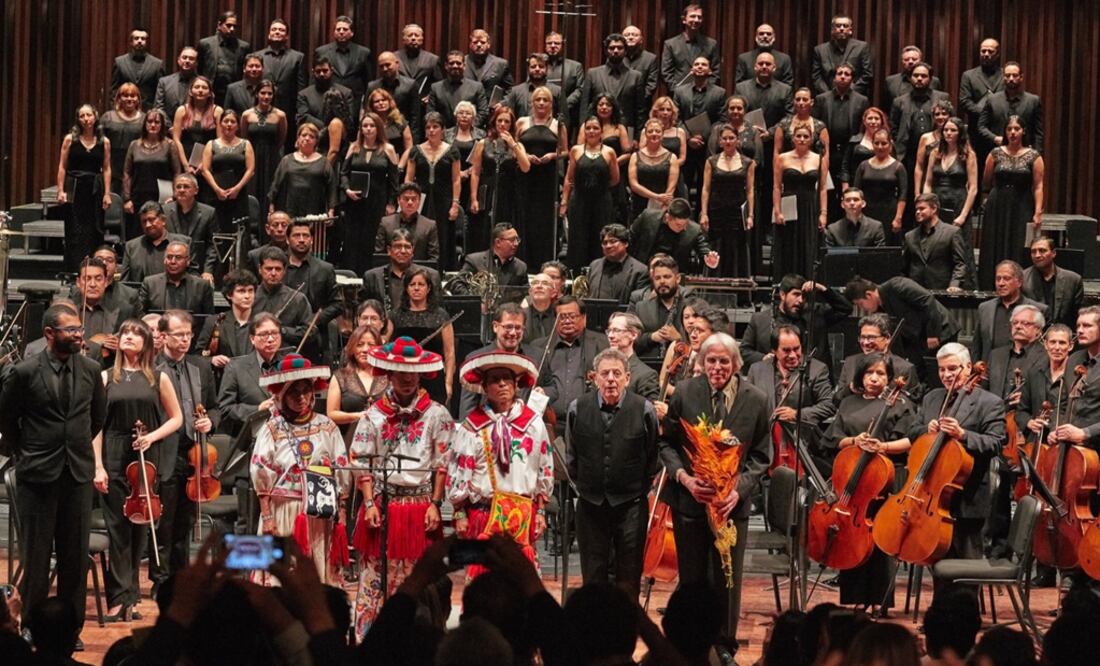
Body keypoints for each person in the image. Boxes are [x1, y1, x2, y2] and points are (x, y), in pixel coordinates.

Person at [658, 332, 770, 659]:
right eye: (711, 360)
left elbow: (761, 456)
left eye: (724, 361)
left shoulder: (757, 399)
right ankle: (690, 648)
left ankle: (724, 647)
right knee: (691, 580)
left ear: (736, 364)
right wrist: (685, 479)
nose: (717, 367)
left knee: (727, 581)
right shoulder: (684, 392)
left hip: (731, 508)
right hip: (690, 503)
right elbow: (667, 443)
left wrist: (738, 490)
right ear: (702, 362)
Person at [0, 304, 107, 642]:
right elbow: (6, 420)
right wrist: (26, 450)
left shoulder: (91, 369)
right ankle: (32, 626)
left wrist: (74, 446)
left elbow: (97, 418)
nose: (79, 335)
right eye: (71, 330)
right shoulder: (25, 371)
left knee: (74, 559)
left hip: (76, 474)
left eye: (79, 329)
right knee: (36, 557)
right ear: (49, 333)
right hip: (37, 475)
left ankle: (69, 630)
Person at [349, 336, 453, 637]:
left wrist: (435, 503)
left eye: (413, 373)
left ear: (420, 375)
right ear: (389, 374)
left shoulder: (437, 414)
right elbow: (361, 461)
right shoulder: (373, 415)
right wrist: (369, 502)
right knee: (373, 579)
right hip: (382, 505)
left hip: (420, 507)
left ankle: (418, 643)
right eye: (401, 373)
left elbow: (442, 462)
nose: (407, 379)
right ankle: (370, 643)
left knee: (419, 580)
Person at [94, 318, 183, 622]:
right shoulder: (106, 377)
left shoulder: (159, 377)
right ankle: (119, 597)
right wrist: (98, 466)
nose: (129, 337)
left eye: (136, 333)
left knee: (139, 526)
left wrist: (151, 437)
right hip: (114, 454)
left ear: (147, 343)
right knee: (118, 527)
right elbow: (96, 427)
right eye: (125, 333)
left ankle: (131, 595)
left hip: (146, 456)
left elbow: (176, 418)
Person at [822, 352, 916, 610]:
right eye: (869, 373)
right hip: (853, 478)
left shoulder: (900, 404)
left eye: (880, 374)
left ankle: (879, 601)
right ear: (860, 376)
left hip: (885, 478)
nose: (874, 378)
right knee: (851, 535)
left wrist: (882, 446)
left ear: (889, 377)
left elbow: (911, 440)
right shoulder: (848, 403)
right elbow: (832, 439)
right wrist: (855, 441)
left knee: (879, 537)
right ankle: (854, 598)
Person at [448, 351, 554, 571]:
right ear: (484, 387)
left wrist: (541, 511)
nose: (502, 384)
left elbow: (544, 468)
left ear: (516, 385)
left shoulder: (533, 424)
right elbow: (458, 473)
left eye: (507, 379)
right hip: (483, 515)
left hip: (521, 515)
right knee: (483, 582)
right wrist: (459, 513)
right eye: (495, 380)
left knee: (519, 581)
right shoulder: (472, 427)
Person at [565, 347, 658, 597]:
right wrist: (586, 487)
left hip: (631, 506)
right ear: (594, 377)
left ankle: (626, 620)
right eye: (604, 373)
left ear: (627, 377)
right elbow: (572, 456)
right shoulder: (577, 408)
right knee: (593, 574)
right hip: (590, 505)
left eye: (617, 373)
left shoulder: (644, 409)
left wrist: (638, 488)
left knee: (629, 574)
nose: (610, 379)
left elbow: (652, 456)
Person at [252, 354, 350, 584]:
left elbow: (341, 467)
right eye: (294, 392)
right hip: (283, 511)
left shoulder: (327, 427)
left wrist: (342, 511)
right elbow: (260, 470)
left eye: (306, 391)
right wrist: (267, 516)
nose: (301, 397)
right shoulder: (272, 429)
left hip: (319, 514)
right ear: (282, 395)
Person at [910, 343, 1005, 565]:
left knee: (966, 566)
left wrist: (963, 434)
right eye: (942, 369)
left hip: (967, 496)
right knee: (936, 561)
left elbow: (996, 442)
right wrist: (926, 429)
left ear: (968, 367)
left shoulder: (990, 403)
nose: (946, 375)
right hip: (929, 494)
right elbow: (912, 432)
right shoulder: (932, 398)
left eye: (952, 368)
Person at [149, 311, 219, 599]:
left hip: (193, 454)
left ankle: (180, 578)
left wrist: (210, 421)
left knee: (184, 522)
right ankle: (160, 580)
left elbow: (214, 406)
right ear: (163, 336)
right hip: (163, 451)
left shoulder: (200, 367)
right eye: (179, 334)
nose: (185, 339)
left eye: (189, 334)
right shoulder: (151, 367)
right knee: (163, 522)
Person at [845, 276, 959, 379]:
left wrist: (932, 334)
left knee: (941, 371)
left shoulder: (897, 285)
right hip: (917, 338)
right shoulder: (880, 307)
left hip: (941, 330)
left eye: (860, 304)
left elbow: (928, 301)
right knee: (918, 373)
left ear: (869, 295)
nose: (863, 309)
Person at [746, 324, 835, 453]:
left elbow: (828, 405)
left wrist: (797, 414)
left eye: (796, 349)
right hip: (765, 446)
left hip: (802, 446)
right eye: (786, 350)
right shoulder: (757, 370)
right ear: (774, 351)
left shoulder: (816, 369)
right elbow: (748, 407)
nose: (793, 355)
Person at [978, 116, 1045, 288]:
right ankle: (990, 285)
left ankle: (1018, 286)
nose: (1013, 132)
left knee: (1019, 243)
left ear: (1023, 131)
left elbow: (1038, 186)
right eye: (1009, 129)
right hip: (997, 205)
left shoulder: (1034, 156)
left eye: (1016, 129)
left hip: (1022, 205)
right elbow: (986, 182)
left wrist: (1038, 212)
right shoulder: (995, 153)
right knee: (994, 243)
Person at [339, 112, 399, 275]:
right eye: (365, 126)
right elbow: (343, 173)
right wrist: (347, 189)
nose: (368, 129)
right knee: (352, 238)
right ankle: (352, 274)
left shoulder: (388, 149)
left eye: (372, 125)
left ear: (378, 128)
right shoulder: (354, 147)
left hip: (377, 201)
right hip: (355, 200)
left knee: (372, 238)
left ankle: (371, 275)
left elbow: (394, 180)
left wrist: (391, 203)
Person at [922, 115, 979, 286]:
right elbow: (928, 183)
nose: (948, 133)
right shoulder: (935, 153)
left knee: (960, 246)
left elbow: (973, 188)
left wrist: (963, 215)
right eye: (946, 130)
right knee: (937, 243)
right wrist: (926, 204)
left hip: (958, 203)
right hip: (937, 202)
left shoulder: (968, 155)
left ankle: (963, 285)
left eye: (952, 130)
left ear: (960, 133)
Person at [533, 296, 610, 422]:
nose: (567, 321)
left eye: (572, 316)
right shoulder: (539, 347)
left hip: (589, 420)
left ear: (584, 318)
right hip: (549, 421)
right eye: (562, 317)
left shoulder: (602, 343)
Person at [458, 303, 539, 419]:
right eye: (508, 327)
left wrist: (543, 391)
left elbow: (551, 387)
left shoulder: (534, 358)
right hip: (485, 426)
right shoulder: (476, 359)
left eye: (518, 328)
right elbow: (467, 410)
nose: (513, 333)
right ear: (495, 327)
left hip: (524, 425)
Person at [515, 87, 566, 268]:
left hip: (547, 179)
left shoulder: (558, 125)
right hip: (526, 177)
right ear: (532, 102)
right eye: (538, 99)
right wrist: (525, 156)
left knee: (545, 221)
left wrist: (552, 156)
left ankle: (544, 263)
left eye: (546, 100)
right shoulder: (522, 122)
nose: (542, 103)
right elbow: (514, 147)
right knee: (525, 217)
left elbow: (565, 151)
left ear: (551, 104)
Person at [57, 103, 112, 271]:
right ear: (78, 119)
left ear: (95, 117)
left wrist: (107, 193)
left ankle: (93, 269)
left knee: (94, 230)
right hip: (74, 187)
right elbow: (62, 167)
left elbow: (107, 168)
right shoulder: (70, 139)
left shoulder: (104, 142)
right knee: (74, 230)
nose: (86, 119)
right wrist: (60, 190)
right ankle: (73, 270)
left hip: (95, 189)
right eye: (82, 116)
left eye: (89, 115)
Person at [390, 266, 455, 405]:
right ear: (406, 288)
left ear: (429, 288)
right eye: (412, 284)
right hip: (403, 377)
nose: (416, 288)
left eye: (421, 284)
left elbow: (449, 353)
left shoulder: (441, 315)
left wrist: (448, 382)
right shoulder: (395, 315)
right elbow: (387, 348)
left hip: (434, 377)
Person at [469, 105, 530, 251]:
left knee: (506, 227)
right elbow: (475, 172)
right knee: (486, 228)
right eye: (499, 121)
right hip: (488, 191)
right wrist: (474, 198)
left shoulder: (517, 145)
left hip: (509, 192)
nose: (502, 124)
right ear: (494, 122)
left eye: (506, 121)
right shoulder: (483, 143)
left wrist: (513, 145)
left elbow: (526, 167)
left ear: (511, 124)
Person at [561, 116, 619, 268]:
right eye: (588, 128)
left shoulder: (609, 152)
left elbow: (615, 179)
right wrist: (564, 201)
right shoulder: (576, 150)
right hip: (579, 202)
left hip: (601, 202)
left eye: (595, 128)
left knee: (600, 237)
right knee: (578, 239)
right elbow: (569, 178)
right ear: (584, 131)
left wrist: (597, 187)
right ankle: (576, 276)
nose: (591, 131)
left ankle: (599, 273)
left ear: (601, 131)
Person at [406, 111, 462, 269]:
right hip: (421, 200)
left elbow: (456, 179)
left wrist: (455, 204)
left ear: (443, 129)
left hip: (444, 200)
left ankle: (442, 269)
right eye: (428, 127)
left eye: (435, 126)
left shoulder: (452, 151)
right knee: (420, 233)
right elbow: (409, 179)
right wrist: (407, 200)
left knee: (442, 234)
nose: (431, 130)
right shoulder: (416, 150)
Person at [773, 124, 828, 280]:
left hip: (810, 205)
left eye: (806, 136)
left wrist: (823, 213)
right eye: (799, 136)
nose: (802, 139)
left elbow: (823, 188)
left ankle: (807, 282)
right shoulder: (782, 158)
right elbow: (776, 187)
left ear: (811, 140)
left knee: (808, 243)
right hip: (788, 203)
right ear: (793, 139)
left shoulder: (819, 159)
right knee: (789, 244)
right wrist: (777, 211)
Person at [701, 123, 755, 277]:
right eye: (725, 138)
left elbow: (750, 190)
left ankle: (738, 285)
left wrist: (750, 215)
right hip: (716, 210)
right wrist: (704, 213)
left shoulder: (748, 162)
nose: (728, 141)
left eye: (731, 138)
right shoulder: (711, 161)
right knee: (716, 246)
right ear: (720, 142)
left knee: (737, 246)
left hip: (737, 212)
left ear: (738, 140)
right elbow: (706, 189)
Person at [834, 313, 921, 404]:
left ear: (887, 338)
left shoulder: (904, 369)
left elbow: (910, 405)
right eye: (862, 337)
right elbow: (836, 401)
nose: (865, 342)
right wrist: (850, 389)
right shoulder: (850, 362)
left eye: (871, 338)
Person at [814, 63, 870, 205]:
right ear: (834, 78)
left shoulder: (862, 100)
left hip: (850, 152)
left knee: (848, 191)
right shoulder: (822, 99)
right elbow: (815, 125)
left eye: (847, 74)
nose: (843, 76)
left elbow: (864, 127)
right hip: (828, 151)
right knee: (827, 191)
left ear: (853, 79)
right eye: (839, 73)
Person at [971, 260, 1046, 364]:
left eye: (1006, 279)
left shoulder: (1037, 309)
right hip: (990, 369)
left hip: (1023, 368)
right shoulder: (985, 308)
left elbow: (1042, 348)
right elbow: (977, 345)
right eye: (998, 279)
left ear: (1019, 282)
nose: (1001, 283)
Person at [672, 57, 726, 198]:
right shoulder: (680, 91)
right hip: (686, 145)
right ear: (692, 70)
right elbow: (676, 119)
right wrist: (688, 138)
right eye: (696, 64)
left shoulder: (719, 93)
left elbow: (721, 120)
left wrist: (705, 136)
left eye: (704, 65)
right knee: (683, 185)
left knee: (705, 184)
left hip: (708, 145)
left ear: (710, 71)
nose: (700, 67)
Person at [123, 109, 181, 235]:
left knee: (159, 231)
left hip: (162, 196)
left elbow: (177, 172)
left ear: (162, 125)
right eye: (149, 121)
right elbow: (127, 173)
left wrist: (173, 195)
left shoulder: (170, 144)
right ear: (144, 124)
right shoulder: (134, 145)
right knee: (136, 232)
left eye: (157, 122)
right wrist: (127, 199)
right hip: (137, 196)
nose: (153, 125)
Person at [326, 323, 388, 441]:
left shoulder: (388, 376)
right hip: (349, 440)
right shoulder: (340, 376)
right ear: (352, 348)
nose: (365, 349)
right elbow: (331, 413)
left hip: (384, 440)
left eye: (371, 345)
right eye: (359, 345)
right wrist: (358, 416)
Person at [284, 218, 341, 346]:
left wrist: (315, 319)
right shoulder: (278, 268)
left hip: (315, 335)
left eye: (306, 235)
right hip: (284, 334)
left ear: (312, 239)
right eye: (296, 235)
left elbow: (337, 304)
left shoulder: (325, 269)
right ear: (287, 239)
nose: (301, 240)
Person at [249, 19, 307, 139]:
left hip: (289, 111)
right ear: (269, 34)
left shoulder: (298, 57)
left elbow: (301, 88)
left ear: (286, 36)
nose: (277, 32)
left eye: (281, 30)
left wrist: (299, 112)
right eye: (274, 29)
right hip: (261, 109)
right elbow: (250, 84)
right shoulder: (256, 56)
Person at [268, 122, 338, 219]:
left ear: (316, 141)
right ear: (298, 138)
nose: (307, 138)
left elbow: (331, 188)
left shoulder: (324, 162)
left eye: (311, 136)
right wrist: (271, 206)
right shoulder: (287, 160)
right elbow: (275, 185)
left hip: (315, 212)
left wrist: (331, 210)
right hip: (291, 210)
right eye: (304, 135)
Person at [200, 109, 254, 234]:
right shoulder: (211, 144)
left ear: (238, 126)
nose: (229, 124)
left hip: (238, 193)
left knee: (238, 229)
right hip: (215, 192)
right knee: (216, 227)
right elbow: (205, 170)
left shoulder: (246, 144)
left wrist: (237, 188)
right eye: (226, 121)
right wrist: (217, 190)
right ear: (220, 124)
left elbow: (250, 169)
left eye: (233, 122)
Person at [901, 193, 968, 291]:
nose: (918, 212)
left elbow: (960, 264)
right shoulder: (909, 236)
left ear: (934, 209)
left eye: (922, 208)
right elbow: (904, 267)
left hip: (942, 290)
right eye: (916, 209)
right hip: (915, 291)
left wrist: (954, 284)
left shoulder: (952, 232)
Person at [580, 33, 646, 133]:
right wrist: (583, 130)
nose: (615, 51)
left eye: (620, 48)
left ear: (625, 51)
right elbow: (584, 107)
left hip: (627, 130)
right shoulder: (592, 74)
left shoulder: (636, 76)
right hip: (597, 130)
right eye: (612, 48)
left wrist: (637, 137)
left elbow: (640, 110)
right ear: (606, 51)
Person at [627, 254, 690, 358]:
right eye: (657, 278)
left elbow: (702, 342)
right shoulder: (641, 308)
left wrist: (679, 339)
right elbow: (628, 339)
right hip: (647, 364)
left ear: (678, 278)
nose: (662, 281)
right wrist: (651, 337)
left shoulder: (690, 307)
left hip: (682, 364)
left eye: (667, 277)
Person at [365, 225, 441, 310]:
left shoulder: (432, 276)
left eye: (407, 247)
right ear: (389, 250)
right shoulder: (372, 277)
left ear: (412, 250)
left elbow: (438, 310)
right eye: (398, 246)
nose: (403, 251)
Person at [252, 246, 313, 350]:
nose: (273, 273)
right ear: (260, 269)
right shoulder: (250, 297)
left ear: (284, 271)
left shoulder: (298, 299)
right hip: (253, 354)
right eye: (269, 269)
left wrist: (282, 330)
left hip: (285, 354)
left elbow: (309, 333)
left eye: (278, 269)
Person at [195, 268, 258, 366]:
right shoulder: (215, 321)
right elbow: (197, 356)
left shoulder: (263, 322)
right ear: (229, 295)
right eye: (241, 291)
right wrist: (212, 360)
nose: (247, 296)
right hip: (224, 374)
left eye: (250, 291)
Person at [978, 62, 1044, 154]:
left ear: (1021, 77)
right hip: (998, 152)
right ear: (1003, 77)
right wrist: (994, 138)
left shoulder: (1033, 101)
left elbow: (1038, 133)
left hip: (1025, 153)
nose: (1011, 78)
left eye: (1015, 75)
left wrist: (1036, 154)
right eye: (1008, 75)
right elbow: (981, 126)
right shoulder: (992, 100)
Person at [854, 128, 907, 243]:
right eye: (876, 143)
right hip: (867, 212)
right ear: (872, 144)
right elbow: (856, 192)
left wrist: (898, 217)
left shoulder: (898, 167)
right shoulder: (863, 166)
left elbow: (903, 194)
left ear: (890, 144)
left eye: (884, 143)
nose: (880, 146)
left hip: (889, 213)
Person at [453, 223, 528, 303]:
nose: (516, 243)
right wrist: (476, 303)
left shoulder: (521, 267)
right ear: (498, 242)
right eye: (512, 240)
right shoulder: (474, 260)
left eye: (517, 239)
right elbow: (456, 284)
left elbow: (526, 294)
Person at [296, 57, 353, 161]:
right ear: (313, 72)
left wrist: (334, 129)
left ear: (332, 70)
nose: (322, 74)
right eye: (318, 71)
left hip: (340, 145)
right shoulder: (304, 94)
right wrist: (328, 128)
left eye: (325, 70)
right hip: (313, 143)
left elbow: (349, 119)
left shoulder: (345, 93)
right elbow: (303, 117)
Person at [139, 239, 215, 318]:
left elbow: (209, 318)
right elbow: (140, 315)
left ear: (188, 261)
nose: (173, 261)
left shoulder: (202, 286)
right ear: (164, 260)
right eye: (169, 257)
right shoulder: (150, 284)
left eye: (178, 257)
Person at [314, 16, 373, 116]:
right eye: (338, 29)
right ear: (334, 32)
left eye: (345, 29)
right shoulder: (321, 52)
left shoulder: (363, 52)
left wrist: (366, 105)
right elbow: (315, 79)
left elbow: (368, 81)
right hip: (328, 99)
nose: (341, 32)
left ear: (352, 33)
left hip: (355, 101)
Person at [959, 38, 1003, 168]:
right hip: (976, 131)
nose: (986, 54)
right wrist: (987, 113)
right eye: (983, 51)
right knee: (976, 167)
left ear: (997, 54)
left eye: (990, 51)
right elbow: (965, 101)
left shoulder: (1005, 75)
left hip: (999, 130)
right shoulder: (969, 75)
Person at [1022, 236, 1084, 327]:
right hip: (1033, 332)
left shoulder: (1073, 280)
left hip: (1063, 332)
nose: (1037, 255)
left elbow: (1078, 316)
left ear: (1053, 253)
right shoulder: (1022, 279)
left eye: (1042, 250)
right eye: (1033, 251)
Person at [121, 201, 190, 283]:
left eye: (151, 220)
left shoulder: (184, 243)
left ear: (163, 220)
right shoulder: (131, 247)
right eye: (144, 221)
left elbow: (193, 277)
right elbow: (124, 283)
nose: (147, 225)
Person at [171, 76, 222, 187]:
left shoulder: (217, 111)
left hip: (209, 160)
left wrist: (204, 163)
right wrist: (185, 165)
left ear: (210, 93)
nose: (200, 90)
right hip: (184, 158)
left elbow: (219, 141)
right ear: (190, 91)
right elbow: (176, 140)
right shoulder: (181, 110)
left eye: (204, 88)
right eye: (197, 87)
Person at [366, 54, 418, 158]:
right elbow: (367, 111)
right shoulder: (372, 86)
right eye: (381, 66)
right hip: (376, 136)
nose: (384, 69)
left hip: (400, 135)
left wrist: (413, 148)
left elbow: (415, 116)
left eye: (388, 65)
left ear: (397, 64)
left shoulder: (410, 85)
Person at [628, 118, 680, 220]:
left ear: (662, 134)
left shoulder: (672, 157)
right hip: (640, 202)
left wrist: (664, 201)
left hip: (663, 204)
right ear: (645, 134)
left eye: (657, 131)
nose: (654, 134)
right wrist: (656, 196)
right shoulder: (635, 156)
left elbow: (671, 186)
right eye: (650, 131)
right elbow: (633, 184)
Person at [374, 182, 441, 261]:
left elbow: (433, 259)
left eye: (414, 199)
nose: (410, 202)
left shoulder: (430, 225)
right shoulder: (385, 222)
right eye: (406, 199)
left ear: (419, 201)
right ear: (398, 200)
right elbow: (379, 256)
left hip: (419, 268)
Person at [102, 84, 146, 202]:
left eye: (133, 96)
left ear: (138, 99)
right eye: (125, 95)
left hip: (136, 170)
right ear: (119, 98)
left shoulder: (145, 119)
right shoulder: (108, 117)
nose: (129, 99)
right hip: (113, 168)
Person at [660, 4, 721, 90]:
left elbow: (716, 72)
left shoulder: (711, 44)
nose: (696, 20)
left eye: (699, 17)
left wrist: (706, 90)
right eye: (693, 16)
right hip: (678, 94)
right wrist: (678, 92)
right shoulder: (670, 44)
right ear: (684, 20)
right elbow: (666, 73)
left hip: (705, 94)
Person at [584, 223, 649, 303]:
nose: (608, 246)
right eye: (605, 243)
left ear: (625, 243)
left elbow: (639, 304)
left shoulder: (640, 271)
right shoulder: (594, 266)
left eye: (613, 241)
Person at [811, 13, 873, 96]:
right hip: (827, 98)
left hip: (855, 98)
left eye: (845, 26)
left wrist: (850, 93)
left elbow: (867, 74)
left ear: (850, 30)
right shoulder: (820, 50)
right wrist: (829, 95)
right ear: (832, 30)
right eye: (838, 26)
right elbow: (816, 77)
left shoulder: (862, 47)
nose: (842, 28)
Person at [197, 11, 250, 104]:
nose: (232, 29)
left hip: (234, 93)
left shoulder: (243, 47)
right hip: (210, 92)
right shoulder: (205, 44)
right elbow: (199, 69)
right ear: (219, 25)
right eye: (228, 25)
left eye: (234, 26)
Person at [605, 313, 660, 401]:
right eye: (609, 331)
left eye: (617, 330)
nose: (610, 336)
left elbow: (649, 408)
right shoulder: (602, 369)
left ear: (633, 335)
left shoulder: (646, 375)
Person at [428, 51, 488, 129]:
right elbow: (431, 114)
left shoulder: (477, 87)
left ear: (464, 66)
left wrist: (467, 128)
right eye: (451, 63)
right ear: (446, 66)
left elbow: (483, 112)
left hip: (470, 133)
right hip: (443, 133)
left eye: (458, 63)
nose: (455, 66)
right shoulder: (435, 88)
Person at [112, 28, 165, 110]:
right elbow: (114, 91)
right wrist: (115, 110)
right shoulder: (120, 62)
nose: (139, 41)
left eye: (143, 39)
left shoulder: (157, 64)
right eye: (136, 38)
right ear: (131, 42)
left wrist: (155, 111)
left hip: (148, 112)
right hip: (124, 111)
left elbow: (160, 92)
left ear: (147, 42)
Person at [839, 106, 889, 193]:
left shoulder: (888, 142)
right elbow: (845, 166)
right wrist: (845, 188)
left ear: (881, 121)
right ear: (864, 121)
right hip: (857, 184)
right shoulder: (854, 141)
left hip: (881, 186)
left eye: (876, 118)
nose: (873, 121)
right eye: (870, 118)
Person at [774, 87, 830, 163]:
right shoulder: (783, 124)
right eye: (798, 99)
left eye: (805, 99)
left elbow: (825, 156)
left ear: (811, 102)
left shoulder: (820, 127)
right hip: (788, 166)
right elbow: (777, 153)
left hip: (812, 167)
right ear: (793, 102)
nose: (801, 103)